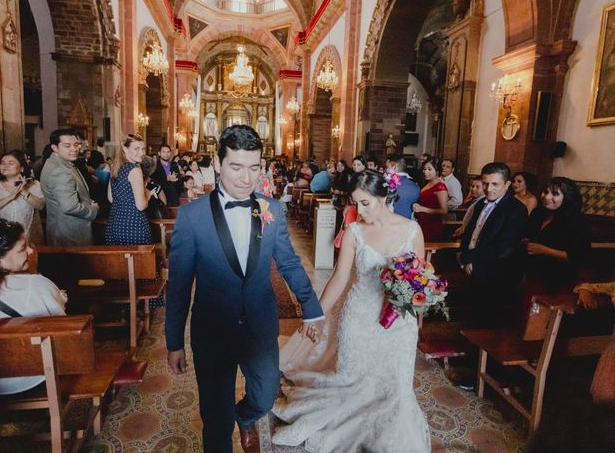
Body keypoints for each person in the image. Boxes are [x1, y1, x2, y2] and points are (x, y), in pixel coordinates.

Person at [165, 125, 324, 453]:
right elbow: (179, 285)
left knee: (265, 397)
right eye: (236, 166)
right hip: (212, 329)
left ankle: (244, 415)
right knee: (215, 418)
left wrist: (312, 307)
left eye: (254, 167)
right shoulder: (192, 217)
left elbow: (290, 264)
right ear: (218, 162)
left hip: (259, 324)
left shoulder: (272, 210)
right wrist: (173, 341)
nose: (245, 178)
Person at [272, 170, 430, 451]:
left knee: (394, 388)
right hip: (358, 315)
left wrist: (418, 296)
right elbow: (339, 278)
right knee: (351, 381)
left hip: (397, 323)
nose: (360, 210)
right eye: (356, 203)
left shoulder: (411, 230)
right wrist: (316, 314)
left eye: (366, 203)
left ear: (384, 196)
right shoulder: (354, 232)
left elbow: (419, 276)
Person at [0, 219, 66, 396]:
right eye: (23, 249)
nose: (32, 251)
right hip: (33, 378)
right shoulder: (36, 285)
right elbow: (63, 332)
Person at [458, 162, 528, 327]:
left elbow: (504, 246)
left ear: (507, 184)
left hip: (495, 273)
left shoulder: (516, 210)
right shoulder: (480, 204)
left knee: (488, 322)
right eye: (485, 183)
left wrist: (467, 257)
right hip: (472, 268)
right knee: (470, 318)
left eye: (495, 184)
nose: (489, 189)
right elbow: (469, 232)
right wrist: (463, 255)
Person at [520, 177, 591, 315]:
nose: (547, 197)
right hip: (534, 274)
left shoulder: (577, 221)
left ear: (567, 198)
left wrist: (543, 250)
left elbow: (579, 257)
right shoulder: (538, 213)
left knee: (545, 318)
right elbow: (526, 235)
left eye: (555, 194)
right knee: (529, 315)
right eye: (545, 192)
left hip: (559, 279)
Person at [40, 129, 99, 246]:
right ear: (55, 148)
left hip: (62, 229)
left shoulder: (55, 163)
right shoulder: (60, 171)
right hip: (70, 233)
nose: (74, 149)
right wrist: (93, 210)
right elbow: (70, 207)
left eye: (76, 144)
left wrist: (87, 201)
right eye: (67, 146)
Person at [0, 150, 45, 243]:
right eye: (2, 163)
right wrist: (10, 197)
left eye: (11, 163)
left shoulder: (34, 184)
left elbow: (40, 205)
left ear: (21, 167)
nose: (5, 166)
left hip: (29, 236)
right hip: (3, 236)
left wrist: (24, 192)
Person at [105, 134, 152, 245]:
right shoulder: (135, 170)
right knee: (138, 261)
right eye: (137, 149)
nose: (142, 153)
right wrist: (147, 195)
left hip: (114, 224)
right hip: (133, 223)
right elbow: (141, 206)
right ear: (125, 149)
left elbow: (111, 198)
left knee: (118, 261)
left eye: (143, 149)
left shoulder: (115, 167)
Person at [413, 156, 448, 241]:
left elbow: (444, 211)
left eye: (429, 169)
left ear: (437, 171)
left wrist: (422, 209)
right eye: (424, 169)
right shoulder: (427, 183)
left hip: (431, 224)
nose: (425, 172)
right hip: (422, 222)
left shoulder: (440, 186)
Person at [387, 154, 420, 219]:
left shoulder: (390, 183)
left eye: (387, 167)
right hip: (409, 222)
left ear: (394, 167)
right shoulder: (415, 184)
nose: (386, 170)